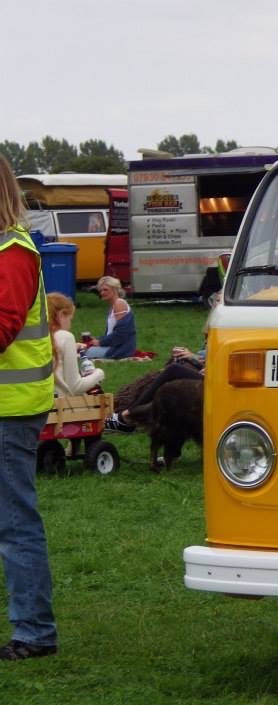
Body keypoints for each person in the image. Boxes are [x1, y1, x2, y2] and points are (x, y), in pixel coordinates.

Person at [0, 155, 58, 661]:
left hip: (10, 409)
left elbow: (3, 327)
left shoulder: (14, 252)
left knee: (14, 521)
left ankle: (35, 631)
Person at [106, 293, 219, 432]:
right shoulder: (215, 327)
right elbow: (207, 357)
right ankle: (129, 412)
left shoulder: (228, 328)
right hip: (206, 372)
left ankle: (128, 415)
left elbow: (216, 360)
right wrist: (191, 356)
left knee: (173, 370)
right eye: (215, 301)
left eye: (220, 302)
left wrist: (193, 357)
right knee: (166, 372)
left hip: (215, 380)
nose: (217, 305)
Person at [47, 292, 105, 396]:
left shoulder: (40, 336)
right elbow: (76, 387)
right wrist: (99, 373)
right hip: (62, 407)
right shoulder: (65, 337)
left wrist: (71, 349)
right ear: (61, 315)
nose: (70, 325)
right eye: (70, 319)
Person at [83, 276, 136, 359]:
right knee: (81, 348)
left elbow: (122, 333)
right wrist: (97, 339)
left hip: (120, 349)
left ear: (115, 289)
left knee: (83, 352)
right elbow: (111, 333)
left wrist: (100, 342)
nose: (102, 293)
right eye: (100, 290)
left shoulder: (119, 303)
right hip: (115, 346)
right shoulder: (113, 305)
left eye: (105, 289)